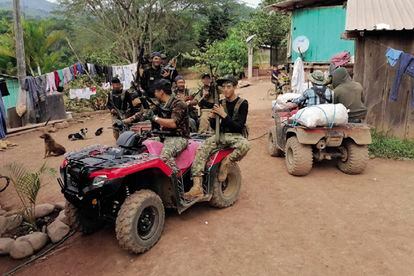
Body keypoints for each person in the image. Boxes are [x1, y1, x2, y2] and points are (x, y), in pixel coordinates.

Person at [185, 75, 250, 200]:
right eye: (224, 87)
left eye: (229, 87)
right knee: (201, 149)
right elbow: (216, 128)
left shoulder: (243, 103)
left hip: (235, 136)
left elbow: (238, 127)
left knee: (246, 145)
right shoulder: (220, 103)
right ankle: (197, 186)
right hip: (221, 135)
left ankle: (227, 162)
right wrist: (212, 118)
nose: (226, 90)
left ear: (235, 87)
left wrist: (223, 115)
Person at [145, 79, 190, 171]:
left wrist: (155, 118)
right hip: (164, 136)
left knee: (164, 158)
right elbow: (145, 113)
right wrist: (126, 120)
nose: (154, 94)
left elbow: (173, 123)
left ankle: (176, 181)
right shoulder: (161, 104)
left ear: (161, 92)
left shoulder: (179, 104)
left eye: (155, 91)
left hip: (179, 137)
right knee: (142, 147)